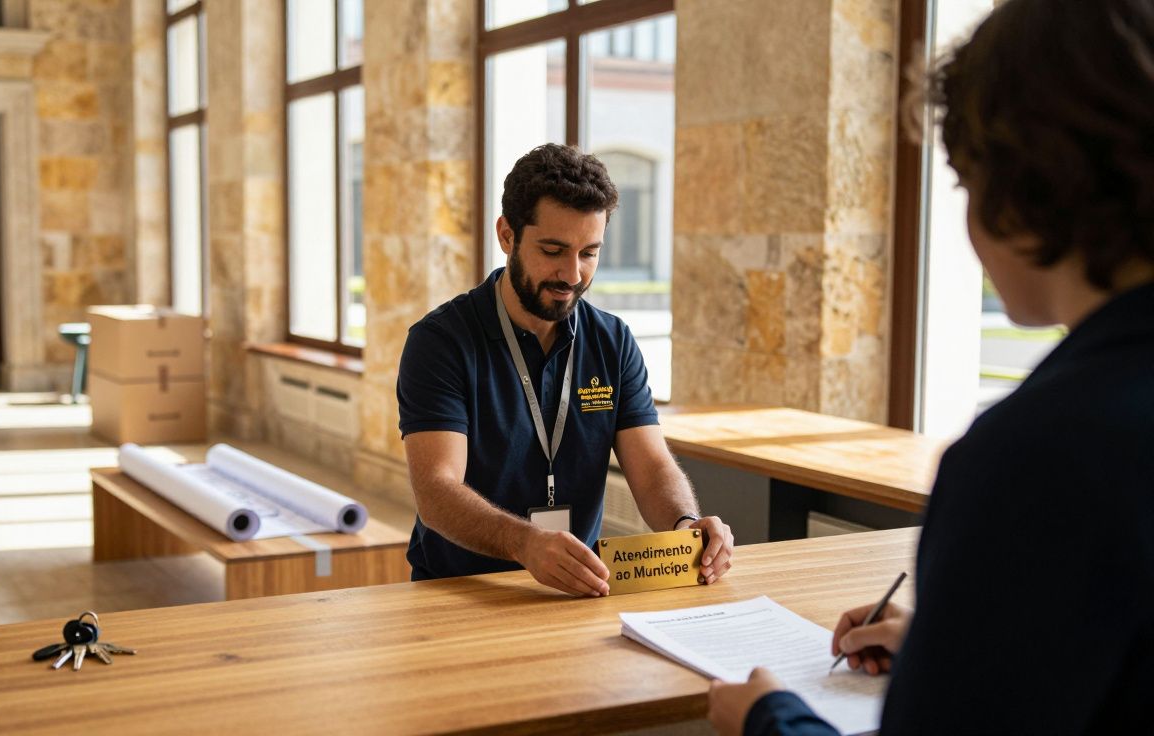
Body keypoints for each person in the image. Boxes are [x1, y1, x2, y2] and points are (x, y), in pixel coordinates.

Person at [706, 0, 1154, 732]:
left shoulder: (1035, 458)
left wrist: (768, 720)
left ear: (1022, 186)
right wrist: (957, 644)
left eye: (964, 182)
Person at [396, 144, 734, 596]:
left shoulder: (613, 342)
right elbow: (436, 491)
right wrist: (524, 543)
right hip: (460, 590)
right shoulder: (440, 342)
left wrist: (686, 526)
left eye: (589, 253)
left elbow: (651, 466)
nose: (572, 274)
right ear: (507, 235)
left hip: (574, 589)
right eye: (553, 250)